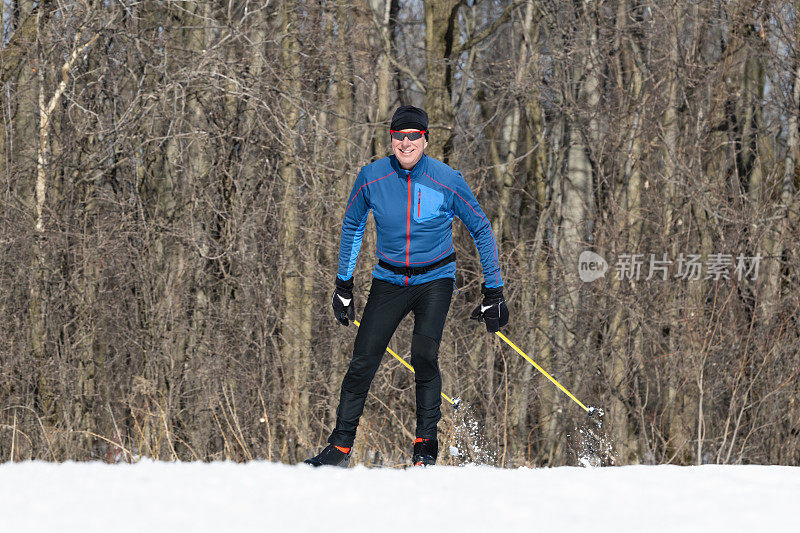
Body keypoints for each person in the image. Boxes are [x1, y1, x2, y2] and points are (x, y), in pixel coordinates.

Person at [304, 105, 509, 467]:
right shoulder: (372, 177)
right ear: (391, 138)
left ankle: (425, 448)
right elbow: (352, 226)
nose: (406, 143)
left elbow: (481, 227)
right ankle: (339, 448)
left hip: (435, 279)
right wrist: (343, 284)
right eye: (399, 136)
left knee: (424, 354)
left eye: (414, 136)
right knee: (362, 360)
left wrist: (493, 291)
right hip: (389, 279)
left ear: (425, 139)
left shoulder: (448, 179)